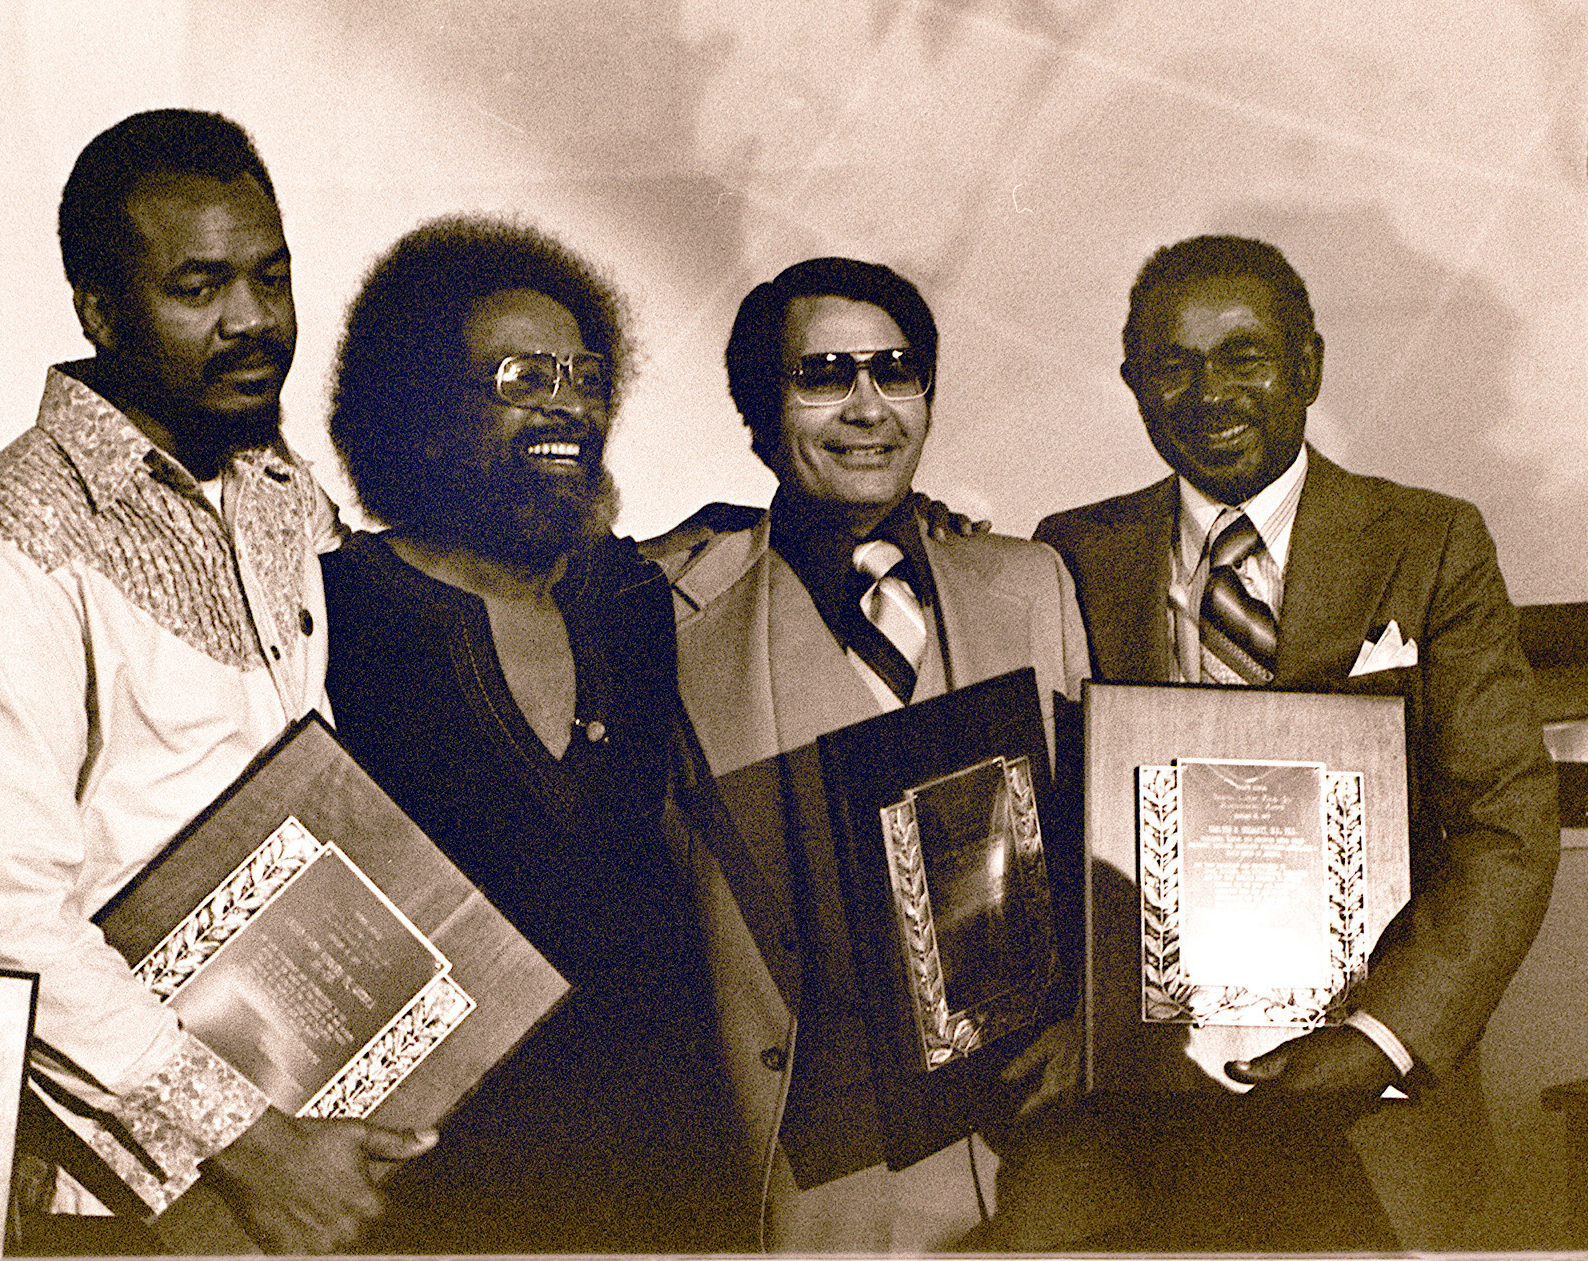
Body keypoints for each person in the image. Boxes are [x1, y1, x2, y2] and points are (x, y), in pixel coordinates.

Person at [0, 110, 429, 1256]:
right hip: (129, 1204)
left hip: (310, 1156)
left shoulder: (274, 482)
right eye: (199, 287)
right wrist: (247, 1144)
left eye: (271, 276)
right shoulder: (18, 535)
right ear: (100, 312)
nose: (251, 319)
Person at [1033, 233, 1559, 1249]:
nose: (1210, 393)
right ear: (1132, 379)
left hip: (1368, 1106)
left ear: (1308, 364)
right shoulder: (1069, 552)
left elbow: (1509, 829)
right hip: (1138, 1121)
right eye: (1173, 363)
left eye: (1244, 355)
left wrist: (1377, 1041)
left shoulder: (1431, 541)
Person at [642, 256, 1096, 1251]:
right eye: (824, 375)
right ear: (761, 412)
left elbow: (1093, 847)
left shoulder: (1031, 585)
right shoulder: (670, 621)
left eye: (895, 372)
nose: (866, 407)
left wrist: (1083, 1019)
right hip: (821, 1184)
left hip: (1035, 1172)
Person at [320, 214, 743, 1253]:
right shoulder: (332, 616)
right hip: (439, 1203)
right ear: (419, 415)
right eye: (522, 377)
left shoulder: (640, 607)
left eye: (585, 376)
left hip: (674, 1186)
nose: (566, 403)